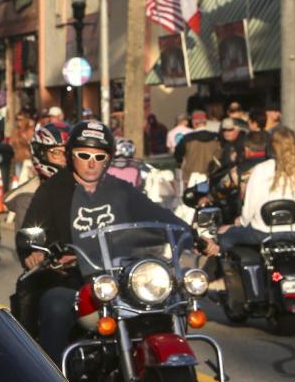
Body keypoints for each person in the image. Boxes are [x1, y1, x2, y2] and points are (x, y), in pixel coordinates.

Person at [16, 120, 189, 363]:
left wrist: (193, 235)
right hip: (72, 279)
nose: (91, 162)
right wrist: (35, 250)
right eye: (84, 154)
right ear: (71, 155)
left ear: (108, 158)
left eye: (99, 156)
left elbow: (157, 214)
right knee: (55, 307)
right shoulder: (52, 190)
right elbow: (31, 230)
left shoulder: (120, 189)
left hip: (121, 276)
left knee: (166, 305)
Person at [217, 128, 295, 305]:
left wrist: (241, 222)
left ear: (271, 147)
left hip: (263, 232)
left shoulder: (261, 170)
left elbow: (250, 205)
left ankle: (227, 289)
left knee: (224, 238)